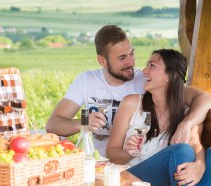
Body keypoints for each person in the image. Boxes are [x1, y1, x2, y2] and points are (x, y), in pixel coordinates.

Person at [45, 25, 211, 158]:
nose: (131, 62)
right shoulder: (87, 81)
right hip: (100, 161)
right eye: (122, 58)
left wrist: (187, 124)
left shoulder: (147, 81)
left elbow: (204, 98)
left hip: (140, 160)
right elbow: (53, 125)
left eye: (132, 54)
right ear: (102, 60)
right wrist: (83, 123)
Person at [107, 49, 211, 186]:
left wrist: (200, 164)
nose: (144, 70)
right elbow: (112, 154)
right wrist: (128, 151)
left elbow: (195, 145)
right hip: (129, 181)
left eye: (152, 66)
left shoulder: (188, 114)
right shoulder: (131, 104)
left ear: (170, 76)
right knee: (180, 151)